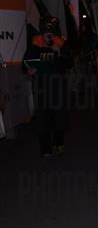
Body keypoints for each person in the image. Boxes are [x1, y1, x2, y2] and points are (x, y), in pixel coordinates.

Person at [23, 16, 72, 157]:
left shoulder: (61, 44)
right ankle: (45, 149)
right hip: (41, 88)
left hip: (58, 87)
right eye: (46, 32)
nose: (48, 35)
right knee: (42, 119)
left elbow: (70, 63)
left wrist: (59, 53)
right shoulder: (34, 45)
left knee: (60, 118)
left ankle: (58, 142)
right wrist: (28, 70)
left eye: (51, 32)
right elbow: (24, 64)